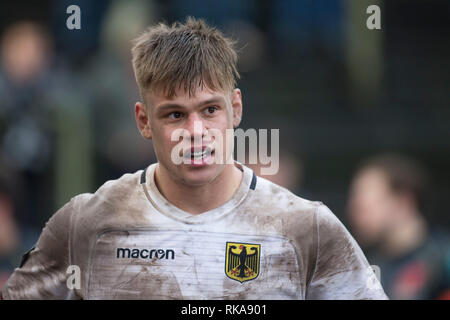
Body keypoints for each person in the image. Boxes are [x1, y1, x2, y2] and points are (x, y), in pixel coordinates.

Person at [1, 17, 387, 300]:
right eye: (174, 114)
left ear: (235, 109)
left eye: (209, 110)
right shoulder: (88, 221)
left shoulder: (306, 227)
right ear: (143, 121)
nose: (196, 131)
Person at [347, 153, 450, 299]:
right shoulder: (368, 267)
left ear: (403, 201)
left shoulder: (443, 257)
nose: (354, 214)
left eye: (364, 207)